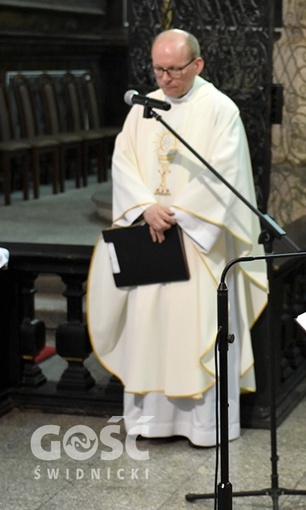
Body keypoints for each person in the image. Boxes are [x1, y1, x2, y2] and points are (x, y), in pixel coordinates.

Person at [86, 29, 268, 447]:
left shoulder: (220, 110)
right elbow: (124, 161)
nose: (166, 79)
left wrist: (179, 215)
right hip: (151, 239)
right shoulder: (143, 109)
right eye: (159, 69)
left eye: (175, 70)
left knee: (196, 329)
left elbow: (228, 174)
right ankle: (150, 421)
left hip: (197, 242)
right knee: (150, 328)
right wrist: (145, 207)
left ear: (198, 65)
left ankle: (201, 426)